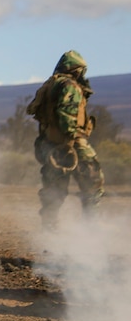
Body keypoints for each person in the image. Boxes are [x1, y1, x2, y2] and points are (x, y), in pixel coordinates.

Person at [26, 50, 105, 229]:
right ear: (77, 70)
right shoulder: (70, 86)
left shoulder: (50, 85)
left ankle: (49, 231)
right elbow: (66, 113)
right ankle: (91, 230)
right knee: (93, 185)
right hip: (71, 144)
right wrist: (69, 141)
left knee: (53, 191)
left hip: (50, 145)